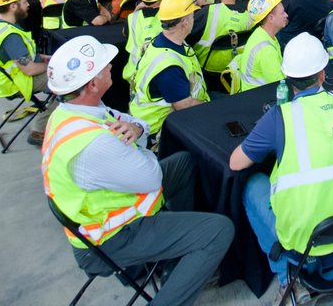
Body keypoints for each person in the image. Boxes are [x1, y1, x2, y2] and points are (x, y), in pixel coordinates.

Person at [42, 36, 233, 306]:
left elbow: (134, 123)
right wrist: (137, 142)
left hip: (117, 204)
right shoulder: (93, 144)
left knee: (185, 162)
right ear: (93, 84)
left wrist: (137, 130)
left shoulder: (78, 112)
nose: (111, 66)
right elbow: (151, 176)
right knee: (220, 230)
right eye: (104, 65)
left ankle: (177, 254)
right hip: (113, 237)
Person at [229, 33, 333, 303]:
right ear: (323, 74)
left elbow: (235, 162)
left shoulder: (280, 116)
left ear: (286, 79)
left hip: (310, 249)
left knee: (252, 185)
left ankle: (288, 276)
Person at [0, 0, 54, 144]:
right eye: (24, 1)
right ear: (13, 6)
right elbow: (30, 70)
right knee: (71, 82)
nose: (28, 4)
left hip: (8, 77)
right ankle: (39, 131)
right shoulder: (11, 35)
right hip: (18, 81)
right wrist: (52, 65)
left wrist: (42, 57)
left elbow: (17, 57)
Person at [129, 0, 210, 136]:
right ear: (185, 23)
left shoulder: (164, 41)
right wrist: (211, 107)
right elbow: (184, 106)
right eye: (192, 16)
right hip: (158, 129)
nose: (194, 18)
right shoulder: (169, 67)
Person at [230, 0, 287, 93]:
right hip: (259, 100)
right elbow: (281, 86)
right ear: (271, 18)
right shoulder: (266, 50)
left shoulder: (262, 34)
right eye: (282, 12)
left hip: (254, 95)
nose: (286, 15)